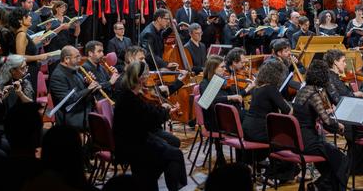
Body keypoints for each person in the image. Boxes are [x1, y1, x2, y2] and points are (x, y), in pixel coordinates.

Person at [113, 60, 187, 191]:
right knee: (175, 155)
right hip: (132, 143)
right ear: (140, 78)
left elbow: (148, 112)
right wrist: (166, 111)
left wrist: (164, 110)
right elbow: (150, 118)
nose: (148, 77)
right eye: (147, 74)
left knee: (169, 154)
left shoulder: (131, 93)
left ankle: (149, 181)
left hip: (138, 137)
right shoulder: (130, 99)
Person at [291, 60, 347, 190]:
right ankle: (318, 185)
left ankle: (319, 186)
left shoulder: (303, 90)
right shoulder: (314, 94)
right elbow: (327, 122)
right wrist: (339, 126)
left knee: (331, 165)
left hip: (297, 139)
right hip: (308, 142)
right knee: (342, 160)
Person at [199, 56, 244, 166]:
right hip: (214, 121)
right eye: (222, 67)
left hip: (225, 118)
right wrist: (230, 98)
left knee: (247, 122)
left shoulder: (222, 82)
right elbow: (207, 101)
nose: (225, 69)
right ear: (213, 68)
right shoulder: (205, 83)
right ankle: (243, 162)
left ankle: (243, 160)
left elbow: (235, 94)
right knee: (246, 126)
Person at [48, 46, 100, 130]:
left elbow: (81, 91)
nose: (80, 59)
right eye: (77, 57)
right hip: (71, 115)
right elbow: (68, 101)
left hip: (84, 108)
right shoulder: (58, 76)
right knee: (103, 123)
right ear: (66, 59)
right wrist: (88, 89)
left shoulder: (74, 70)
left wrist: (88, 84)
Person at [9, 7, 50, 101]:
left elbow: (26, 49)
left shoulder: (23, 34)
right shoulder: (21, 35)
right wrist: (39, 56)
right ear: (20, 21)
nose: (31, 17)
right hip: (27, 72)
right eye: (27, 16)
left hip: (30, 70)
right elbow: (20, 58)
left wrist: (39, 43)